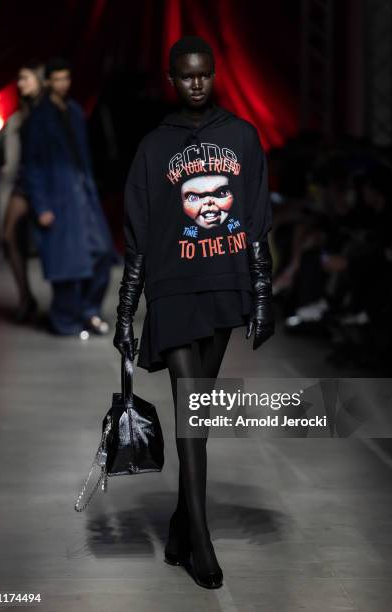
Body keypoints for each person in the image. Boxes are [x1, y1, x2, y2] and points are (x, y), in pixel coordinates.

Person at [113, 36, 275, 589]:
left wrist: (262, 295)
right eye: (187, 76)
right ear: (171, 79)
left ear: (214, 74)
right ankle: (200, 542)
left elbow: (255, 222)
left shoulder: (243, 137)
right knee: (192, 407)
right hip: (174, 287)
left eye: (205, 74)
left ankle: (183, 525)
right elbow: (136, 237)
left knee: (199, 415)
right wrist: (125, 313)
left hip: (225, 283)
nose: (198, 84)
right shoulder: (154, 148)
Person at [22, 57, 115, 336]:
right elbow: (32, 165)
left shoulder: (75, 111)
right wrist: (41, 206)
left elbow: (83, 153)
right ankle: (66, 320)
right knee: (67, 262)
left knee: (101, 252)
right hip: (57, 195)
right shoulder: (39, 117)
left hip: (82, 191)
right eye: (58, 79)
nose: (63, 84)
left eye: (67, 78)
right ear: (48, 81)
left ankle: (89, 311)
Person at [0, 61, 44, 323]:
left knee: (44, 242)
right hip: (21, 182)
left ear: (39, 79)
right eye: (19, 79)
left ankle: (60, 303)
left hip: (38, 182)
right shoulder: (21, 113)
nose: (20, 83)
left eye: (25, 78)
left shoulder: (46, 110)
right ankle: (26, 297)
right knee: (9, 237)